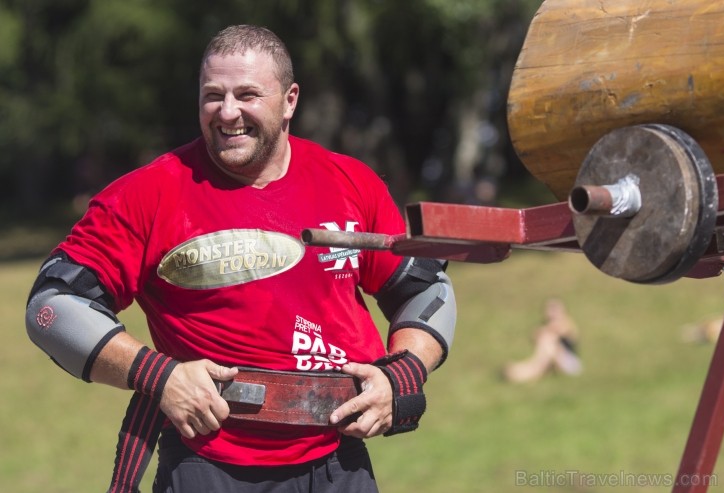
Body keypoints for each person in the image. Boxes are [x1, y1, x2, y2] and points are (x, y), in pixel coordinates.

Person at [25, 24, 456, 493]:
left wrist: (404, 374)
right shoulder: (148, 193)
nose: (228, 113)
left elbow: (426, 288)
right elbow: (52, 306)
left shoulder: (350, 183)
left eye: (247, 94)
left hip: (337, 457)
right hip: (207, 460)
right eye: (213, 95)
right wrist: (157, 375)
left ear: (290, 100)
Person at [502, 298, 581, 384]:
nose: (552, 312)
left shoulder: (566, 324)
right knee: (546, 345)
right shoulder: (546, 327)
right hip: (550, 362)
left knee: (549, 342)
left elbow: (562, 331)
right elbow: (534, 337)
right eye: (550, 309)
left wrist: (545, 332)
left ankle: (524, 373)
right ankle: (522, 370)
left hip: (570, 364)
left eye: (555, 309)